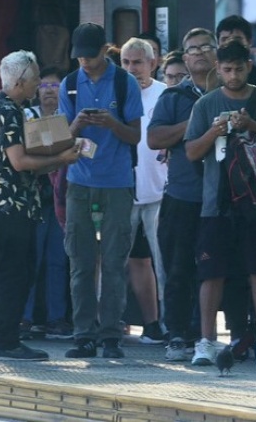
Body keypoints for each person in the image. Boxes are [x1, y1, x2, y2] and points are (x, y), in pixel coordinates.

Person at [184, 40, 256, 367]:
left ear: (249, 67)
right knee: (211, 272)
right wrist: (214, 131)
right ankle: (206, 341)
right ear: (218, 69)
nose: (233, 75)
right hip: (217, 202)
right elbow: (191, 151)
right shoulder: (206, 104)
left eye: (239, 69)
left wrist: (251, 126)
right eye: (227, 69)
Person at [0, 51, 79, 360]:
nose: (39, 84)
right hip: (10, 205)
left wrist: (59, 156)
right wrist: (60, 158)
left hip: (18, 205)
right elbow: (19, 161)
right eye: (36, 78)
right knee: (13, 275)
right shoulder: (7, 111)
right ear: (20, 81)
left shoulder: (13, 109)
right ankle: (6, 341)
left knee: (21, 272)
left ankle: (8, 338)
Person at [58, 23, 142, 359]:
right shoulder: (69, 84)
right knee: (80, 261)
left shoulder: (124, 82)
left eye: (91, 56)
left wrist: (112, 124)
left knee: (113, 261)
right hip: (79, 180)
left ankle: (110, 335)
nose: (85, 62)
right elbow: (59, 138)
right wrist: (76, 125)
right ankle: (83, 334)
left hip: (117, 181)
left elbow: (135, 136)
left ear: (105, 51)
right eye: (79, 56)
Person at [148, 29, 217, 361]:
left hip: (225, 196)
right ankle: (177, 334)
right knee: (178, 269)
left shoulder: (230, 92)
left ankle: (224, 336)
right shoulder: (174, 96)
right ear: (184, 58)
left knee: (220, 270)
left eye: (206, 46)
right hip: (183, 194)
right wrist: (194, 123)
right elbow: (154, 138)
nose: (200, 53)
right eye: (192, 49)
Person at [120, 37, 168, 344]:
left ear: (153, 63)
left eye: (138, 62)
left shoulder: (165, 95)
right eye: (125, 62)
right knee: (115, 264)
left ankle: (169, 326)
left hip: (160, 193)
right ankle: (111, 325)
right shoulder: (114, 94)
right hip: (122, 192)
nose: (131, 68)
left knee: (163, 266)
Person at [20, 66, 72, 340]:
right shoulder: (27, 115)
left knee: (58, 259)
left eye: (55, 86)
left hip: (63, 197)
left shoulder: (70, 116)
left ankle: (57, 318)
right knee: (32, 257)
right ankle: (25, 317)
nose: (50, 91)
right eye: (45, 86)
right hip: (36, 195)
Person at [215, 15, 256, 95]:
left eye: (237, 39)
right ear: (218, 43)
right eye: (225, 39)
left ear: (250, 42)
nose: (231, 44)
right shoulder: (210, 78)